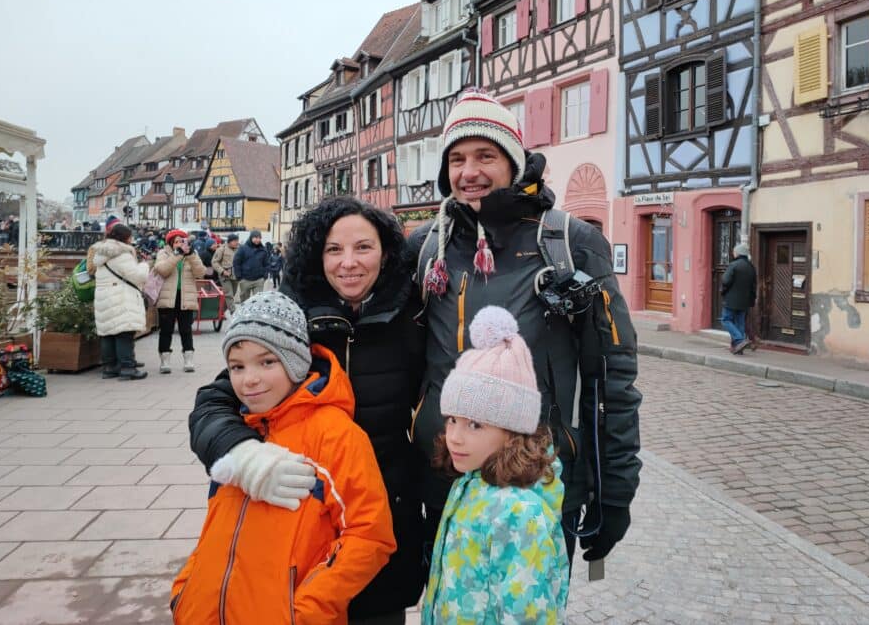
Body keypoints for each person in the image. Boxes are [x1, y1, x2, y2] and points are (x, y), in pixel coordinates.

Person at [408, 89, 642, 564]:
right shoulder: (426, 247)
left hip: (540, 487)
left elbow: (613, 376)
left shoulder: (570, 241)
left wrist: (614, 488)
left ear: (514, 162)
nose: (468, 171)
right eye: (456, 158)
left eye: (485, 156)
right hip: (444, 481)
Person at [187, 197, 428, 624]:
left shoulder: (414, 315)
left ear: (386, 252)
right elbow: (218, 399)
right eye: (334, 249)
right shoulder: (291, 316)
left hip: (380, 514)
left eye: (363, 248)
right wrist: (244, 457)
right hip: (298, 525)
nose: (348, 263)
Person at [170, 291, 396, 624]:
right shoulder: (240, 433)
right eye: (237, 366)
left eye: (267, 362)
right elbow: (217, 524)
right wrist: (185, 590)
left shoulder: (335, 435)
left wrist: (304, 610)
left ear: (295, 361)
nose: (249, 379)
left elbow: (368, 535)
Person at [421, 305, 569, 624]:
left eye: (475, 425)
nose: (455, 438)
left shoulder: (521, 514)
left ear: (512, 433)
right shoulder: (471, 483)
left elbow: (529, 614)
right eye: (453, 421)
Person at [88, 222, 149, 381]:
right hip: (121, 296)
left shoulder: (101, 255)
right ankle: (128, 368)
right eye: (130, 236)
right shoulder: (121, 254)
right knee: (124, 332)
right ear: (124, 238)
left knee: (108, 333)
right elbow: (137, 276)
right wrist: (144, 265)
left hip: (103, 297)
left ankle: (110, 367)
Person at [153, 229, 206, 374]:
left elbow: (200, 273)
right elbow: (162, 270)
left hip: (186, 297)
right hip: (167, 297)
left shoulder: (191, 255)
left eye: (182, 241)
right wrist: (177, 255)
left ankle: (188, 360)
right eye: (176, 242)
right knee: (166, 330)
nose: (180, 244)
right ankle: (165, 361)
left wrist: (191, 256)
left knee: (186, 330)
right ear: (170, 243)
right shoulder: (163, 254)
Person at [720, 242, 757, 354]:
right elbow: (754, 286)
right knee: (740, 322)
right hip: (745, 301)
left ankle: (740, 340)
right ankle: (739, 348)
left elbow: (725, 280)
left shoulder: (734, 265)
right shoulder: (751, 267)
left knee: (726, 320)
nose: (733, 253)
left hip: (731, 300)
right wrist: (751, 300)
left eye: (734, 251)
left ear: (739, 253)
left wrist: (723, 291)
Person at [233, 229, 269, 303]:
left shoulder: (263, 250)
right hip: (245, 280)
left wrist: (265, 276)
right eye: (255, 237)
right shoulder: (243, 248)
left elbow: (266, 264)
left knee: (258, 301)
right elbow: (236, 263)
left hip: (259, 280)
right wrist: (239, 277)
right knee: (245, 302)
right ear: (251, 237)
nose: (257, 240)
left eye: (259, 238)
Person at [211, 233, 240, 314]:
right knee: (229, 294)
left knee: (232, 294)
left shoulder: (239, 249)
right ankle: (233, 312)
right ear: (229, 241)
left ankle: (220, 310)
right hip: (225, 276)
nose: (237, 242)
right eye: (235, 241)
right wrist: (222, 271)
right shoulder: (221, 249)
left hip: (235, 275)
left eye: (237, 240)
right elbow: (214, 262)